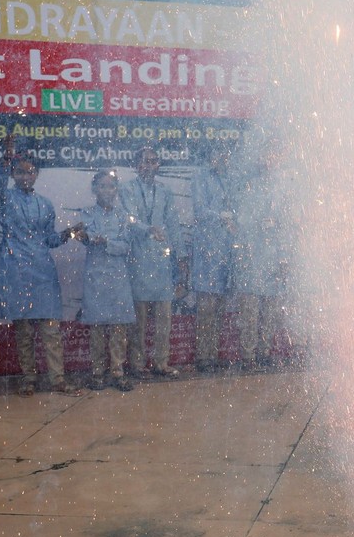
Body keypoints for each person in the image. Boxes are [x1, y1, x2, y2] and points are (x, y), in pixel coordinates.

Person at [0, 151, 83, 397]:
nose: (25, 176)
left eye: (30, 171)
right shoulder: (5, 198)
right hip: (16, 270)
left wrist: (68, 234)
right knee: (23, 331)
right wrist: (5, 160)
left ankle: (58, 379)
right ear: (12, 173)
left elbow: (50, 240)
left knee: (51, 330)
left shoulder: (45, 204)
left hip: (43, 271)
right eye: (19, 171)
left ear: (37, 174)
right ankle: (28, 379)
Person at [119, 145, 185, 378]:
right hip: (138, 259)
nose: (149, 165)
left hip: (162, 261)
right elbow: (128, 219)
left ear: (158, 165)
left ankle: (161, 363)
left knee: (164, 318)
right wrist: (148, 230)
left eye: (154, 161)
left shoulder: (165, 191)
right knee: (139, 321)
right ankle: (137, 365)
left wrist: (181, 255)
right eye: (145, 161)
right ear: (136, 165)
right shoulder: (126, 189)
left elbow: (174, 224)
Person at [78, 171, 136, 392]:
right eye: (102, 186)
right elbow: (86, 237)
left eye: (111, 186)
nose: (107, 191)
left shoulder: (123, 215)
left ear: (116, 190)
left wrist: (106, 242)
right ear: (95, 190)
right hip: (96, 277)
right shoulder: (87, 214)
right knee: (97, 330)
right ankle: (97, 373)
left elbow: (126, 246)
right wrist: (95, 239)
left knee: (118, 329)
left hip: (118, 277)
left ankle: (118, 373)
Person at [233, 150, 289, 371]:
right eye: (267, 156)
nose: (270, 161)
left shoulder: (284, 187)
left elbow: (289, 224)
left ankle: (264, 353)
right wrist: (258, 224)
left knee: (271, 313)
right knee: (250, 312)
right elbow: (242, 220)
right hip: (252, 257)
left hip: (274, 258)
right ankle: (248, 356)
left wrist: (284, 257)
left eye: (275, 156)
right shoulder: (250, 186)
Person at [191, 143, 236, 371]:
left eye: (227, 153)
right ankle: (203, 358)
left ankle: (214, 355)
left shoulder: (232, 179)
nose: (223, 157)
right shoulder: (201, 178)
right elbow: (199, 210)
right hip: (207, 253)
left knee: (218, 310)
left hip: (226, 255)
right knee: (206, 309)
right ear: (212, 156)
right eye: (219, 153)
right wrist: (222, 217)